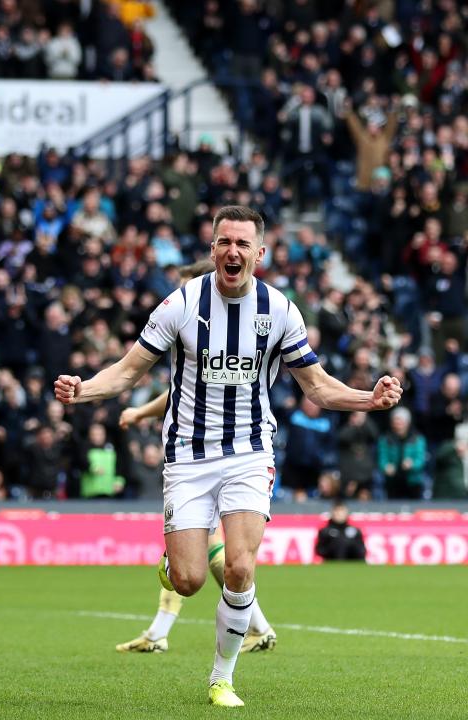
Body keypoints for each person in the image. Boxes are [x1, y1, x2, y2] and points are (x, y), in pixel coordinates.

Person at [54, 206, 402, 708]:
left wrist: (369, 399)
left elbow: (318, 387)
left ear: (259, 254)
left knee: (240, 566)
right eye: (223, 242)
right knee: (189, 580)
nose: (232, 251)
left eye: (242, 243)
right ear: (212, 249)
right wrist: (82, 389)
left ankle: (222, 678)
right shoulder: (180, 303)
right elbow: (129, 372)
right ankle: (174, 564)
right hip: (188, 456)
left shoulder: (279, 310)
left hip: (249, 450)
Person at [116, 260, 276, 655]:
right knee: (203, 559)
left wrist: (137, 412)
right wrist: (138, 412)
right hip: (191, 456)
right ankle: (257, 626)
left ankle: (162, 633)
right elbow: (177, 392)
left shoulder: (242, 322)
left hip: (239, 452)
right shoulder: (186, 321)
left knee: (215, 555)